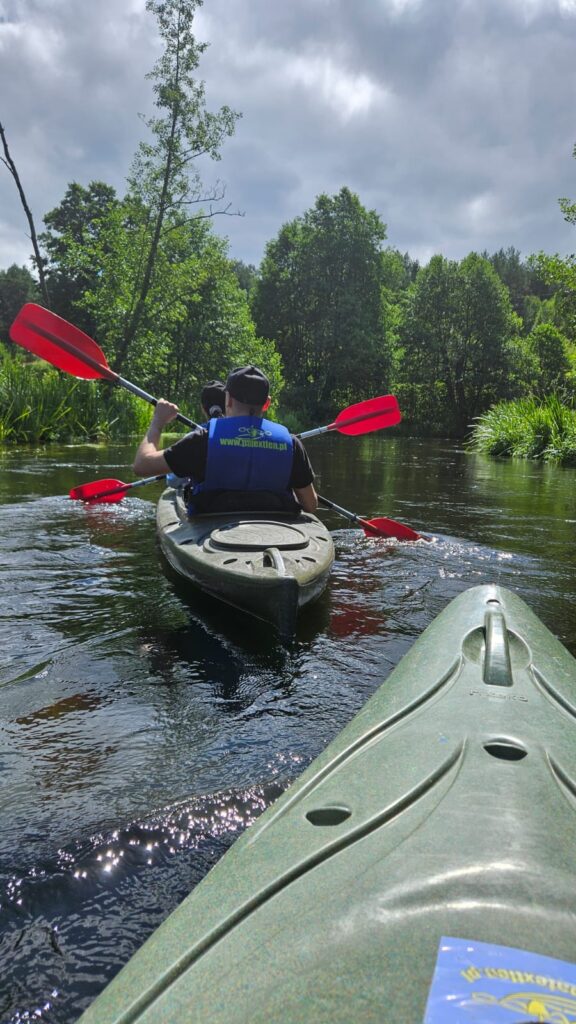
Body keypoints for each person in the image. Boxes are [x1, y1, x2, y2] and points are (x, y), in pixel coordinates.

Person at [133, 365, 318, 515]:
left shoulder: (203, 440)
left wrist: (157, 422)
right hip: (277, 530)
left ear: (228, 400)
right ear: (267, 403)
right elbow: (310, 505)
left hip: (213, 532)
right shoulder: (291, 443)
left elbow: (141, 465)